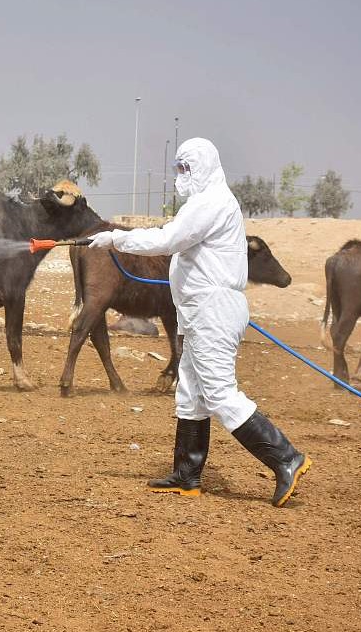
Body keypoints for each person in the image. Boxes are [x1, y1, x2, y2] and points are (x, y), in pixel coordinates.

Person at [87, 137, 311, 507]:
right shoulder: (206, 203)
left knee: (220, 393)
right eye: (178, 168)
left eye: (186, 168)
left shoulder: (212, 202)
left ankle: (286, 457)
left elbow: (170, 238)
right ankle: (187, 474)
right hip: (199, 310)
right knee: (191, 393)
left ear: (204, 166)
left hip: (213, 309)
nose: (180, 176)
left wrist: (115, 238)